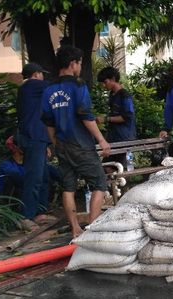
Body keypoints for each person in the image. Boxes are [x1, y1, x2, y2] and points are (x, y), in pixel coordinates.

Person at [41, 45, 111, 237]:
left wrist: (55, 143)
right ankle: (92, 227)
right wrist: (102, 140)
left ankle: (75, 229)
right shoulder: (78, 86)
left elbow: (48, 122)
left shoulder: (49, 90)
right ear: (73, 64)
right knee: (99, 183)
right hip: (81, 144)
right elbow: (86, 116)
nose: (80, 67)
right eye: (80, 63)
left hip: (62, 144)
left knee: (68, 187)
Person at [15, 62, 56, 229]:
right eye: (42, 74)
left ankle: (40, 213)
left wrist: (46, 143)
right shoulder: (31, 86)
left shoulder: (29, 90)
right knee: (34, 177)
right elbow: (55, 87)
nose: (43, 77)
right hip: (33, 139)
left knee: (44, 176)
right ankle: (26, 217)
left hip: (38, 139)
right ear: (36, 74)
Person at [96, 66, 137, 169]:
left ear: (113, 79)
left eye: (105, 82)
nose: (104, 85)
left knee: (128, 167)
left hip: (127, 139)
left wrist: (106, 119)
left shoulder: (125, 95)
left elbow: (127, 117)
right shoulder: (112, 95)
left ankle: (127, 183)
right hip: (114, 139)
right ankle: (116, 184)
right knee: (107, 166)